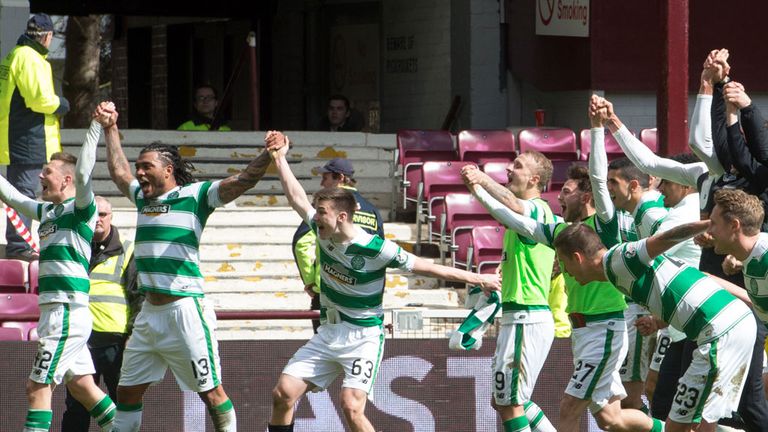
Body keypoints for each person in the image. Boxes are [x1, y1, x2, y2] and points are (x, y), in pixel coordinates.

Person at [266, 130, 500, 432]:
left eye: (322, 213)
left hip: (362, 335)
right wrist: (280, 158)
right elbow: (296, 196)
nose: (315, 219)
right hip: (329, 331)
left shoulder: (376, 248)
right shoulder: (321, 231)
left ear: (341, 217)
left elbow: (427, 268)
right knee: (283, 394)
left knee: (351, 406)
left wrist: (477, 278)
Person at [95, 102, 285, 431]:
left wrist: (268, 155)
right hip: (149, 314)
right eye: (139, 166)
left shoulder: (195, 196)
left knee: (211, 393)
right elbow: (118, 173)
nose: (139, 173)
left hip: (185, 311)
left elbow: (242, 181)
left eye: (146, 166)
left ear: (168, 170)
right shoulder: (142, 197)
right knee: (126, 393)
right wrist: (111, 129)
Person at [464, 163, 661, 432]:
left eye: (567, 191)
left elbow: (600, 186)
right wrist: (477, 192)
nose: (559, 197)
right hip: (583, 332)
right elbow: (516, 221)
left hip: (604, 328)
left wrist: (595, 128)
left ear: (586, 196)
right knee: (611, 419)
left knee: (569, 408)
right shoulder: (563, 232)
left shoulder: (604, 227)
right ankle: (678, 429)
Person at [553, 221, 757, 432]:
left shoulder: (619, 259)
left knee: (681, 426)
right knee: (697, 422)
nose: (566, 273)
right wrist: (755, 303)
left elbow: (664, 239)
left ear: (577, 258)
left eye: (564, 263)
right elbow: (699, 280)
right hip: (733, 323)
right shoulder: (616, 274)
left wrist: (710, 224)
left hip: (721, 331)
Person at [0, 114, 115, 431]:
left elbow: (83, 171)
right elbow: (11, 196)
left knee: (36, 388)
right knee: (84, 388)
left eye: (47, 171)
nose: (40, 175)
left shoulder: (81, 209)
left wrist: (95, 126)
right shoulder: (47, 211)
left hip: (66, 310)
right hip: (56, 312)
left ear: (66, 180)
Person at [458, 151, 558, 432]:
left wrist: (481, 180)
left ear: (534, 179)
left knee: (509, 402)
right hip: (521, 316)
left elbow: (510, 203)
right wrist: (475, 188)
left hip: (527, 317)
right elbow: (502, 209)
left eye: (517, 166)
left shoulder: (539, 209)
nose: (509, 169)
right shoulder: (523, 218)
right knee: (506, 400)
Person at [61, 196, 139, 431]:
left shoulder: (128, 250)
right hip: (80, 340)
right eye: (94, 215)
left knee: (122, 402)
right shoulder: (76, 247)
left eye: (103, 215)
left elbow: (139, 296)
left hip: (115, 341)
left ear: (111, 217)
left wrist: (133, 336)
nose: (98, 220)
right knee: (76, 406)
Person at [0, 13, 70, 261]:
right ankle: (19, 247)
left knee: (23, 190)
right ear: (48, 36)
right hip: (28, 138)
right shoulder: (31, 58)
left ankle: (20, 244)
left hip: (20, 134)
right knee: (24, 191)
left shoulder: (16, 54)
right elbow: (38, 100)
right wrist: (62, 104)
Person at [292, 158, 384, 333]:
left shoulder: (326, 208)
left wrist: (311, 281)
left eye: (325, 178)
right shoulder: (372, 210)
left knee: (327, 351)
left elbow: (301, 243)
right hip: (364, 295)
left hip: (329, 291)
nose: (321, 183)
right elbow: (380, 255)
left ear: (339, 178)